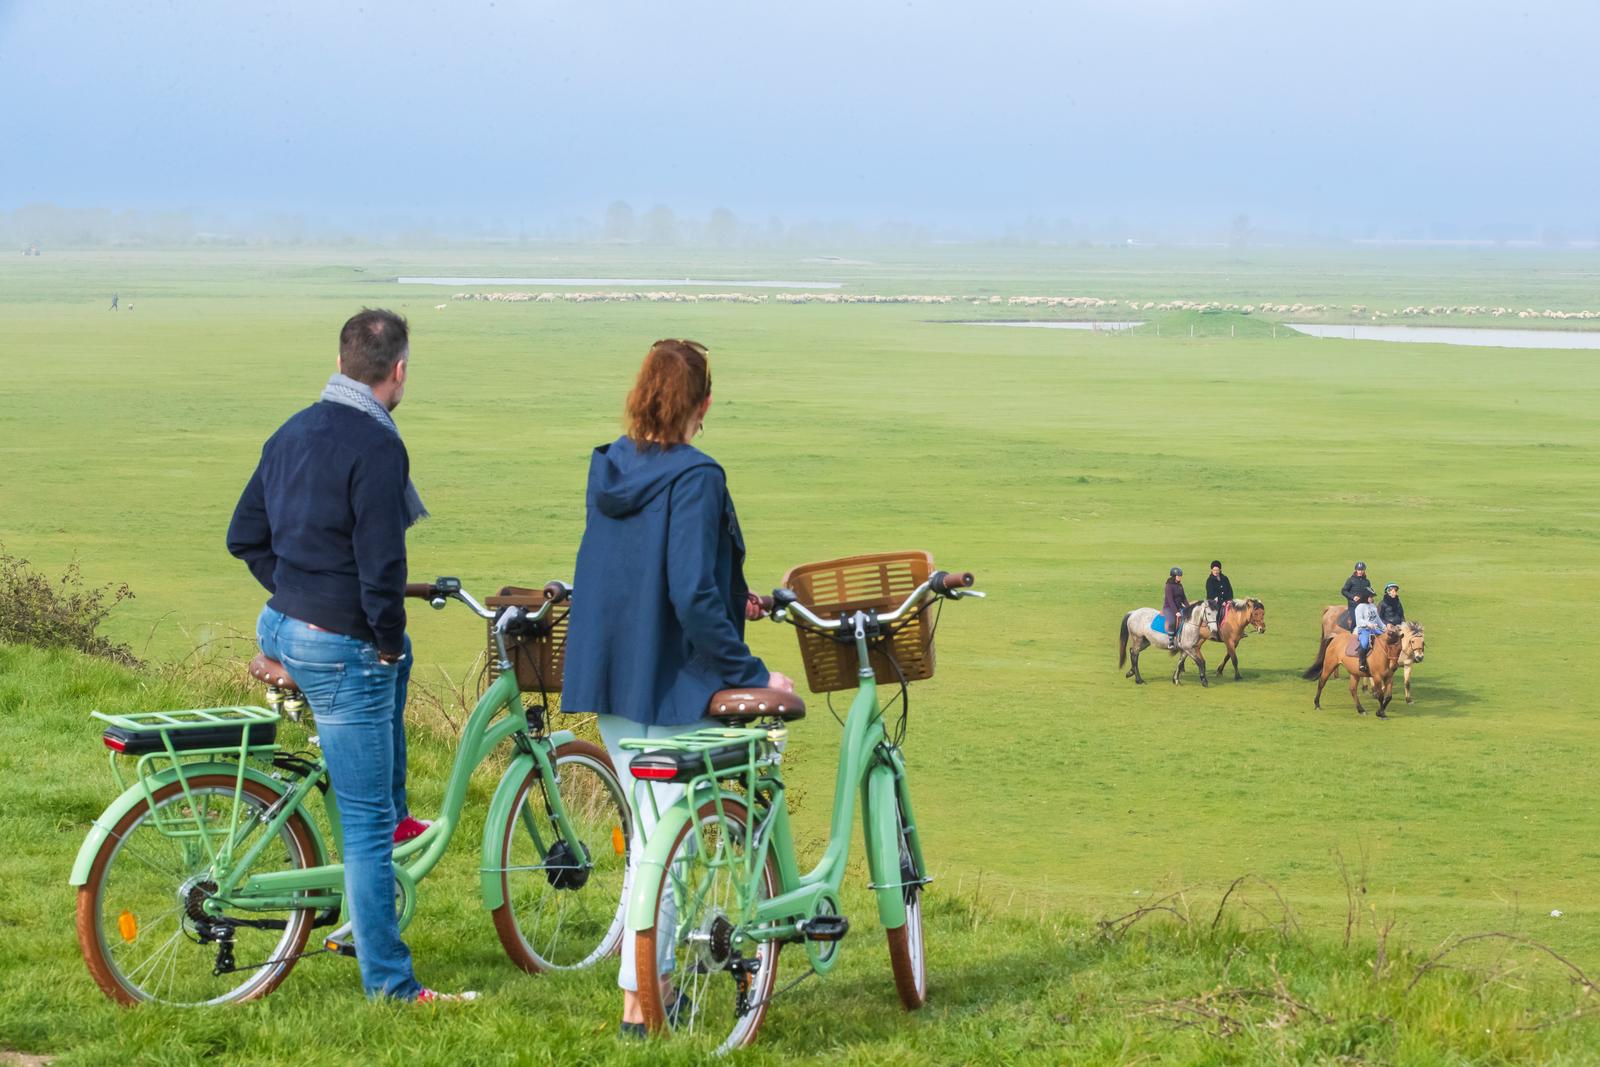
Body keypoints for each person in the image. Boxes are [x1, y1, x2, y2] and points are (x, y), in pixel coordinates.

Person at [226, 308, 470, 1003]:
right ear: (399, 371)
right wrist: (381, 637)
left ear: (341, 361)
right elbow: (382, 567)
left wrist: (300, 591)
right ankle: (391, 982)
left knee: (401, 664)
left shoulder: (292, 431)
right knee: (364, 831)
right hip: (337, 645)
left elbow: (244, 534)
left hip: (279, 626)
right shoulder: (379, 446)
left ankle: (394, 810)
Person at [561, 338, 796, 1039]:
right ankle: (640, 1005)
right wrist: (751, 672)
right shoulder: (697, 477)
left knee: (648, 842)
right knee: (674, 847)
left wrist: (736, 595)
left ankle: (656, 983)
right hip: (669, 687)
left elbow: (641, 566)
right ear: (704, 404)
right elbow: (690, 593)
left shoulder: (609, 466)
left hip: (611, 680)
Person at [1352, 591, 1386, 674]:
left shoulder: (1373, 606)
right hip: (1364, 629)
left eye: (1372, 597)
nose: (1372, 598)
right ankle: (1362, 663)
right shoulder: (1360, 607)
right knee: (1364, 643)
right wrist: (1368, 624)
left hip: (1375, 629)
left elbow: (1377, 619)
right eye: (1370, 597)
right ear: (1365, 597)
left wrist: (1384, 627)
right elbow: (1359, 621)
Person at [1162, 566, 1190, 650]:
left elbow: (1184, 598)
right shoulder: (1168, 586)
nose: (1180, 577)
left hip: (1179, 607)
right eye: (1178, 576)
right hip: (1169, 608)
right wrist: (1175, 612)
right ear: (1174, 576)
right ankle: (1170, 641)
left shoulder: (1180, 585)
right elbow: (1170, 601)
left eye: (1180, 576)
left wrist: (1189, 608)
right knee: (1172, 621)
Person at [1340, 561, 1374, 629]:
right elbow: (1343, 591)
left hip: (1364, 605)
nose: (1360, 571)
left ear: (1364, 570)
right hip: (1353, 605)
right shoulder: (1350, 580)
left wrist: (1370, 598)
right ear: (1356, 570)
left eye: (1362, 570)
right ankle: (1352, 635)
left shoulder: (1367, 581)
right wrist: (1353, 597)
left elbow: (1369, 592)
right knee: (1355, 621)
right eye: (1359, 570)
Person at [1205, 560, 1233, 626]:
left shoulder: (1225, 578)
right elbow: (1211, 595)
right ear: (1211, 570)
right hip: (1214, 603)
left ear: (1220, 570)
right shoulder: (1209, 581)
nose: (1216, 572)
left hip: (1227, 601)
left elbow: (1229, 590)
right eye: (1214, 570)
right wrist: (1221, 602)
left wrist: (1229, 600)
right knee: (1217, 615)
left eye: (1217, 570)